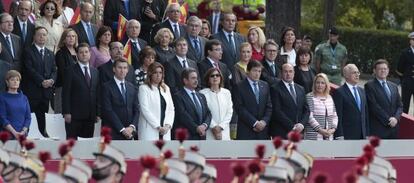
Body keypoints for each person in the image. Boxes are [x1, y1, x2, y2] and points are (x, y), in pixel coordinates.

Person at [22, 26, 56, 138]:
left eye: (44, 35)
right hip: (33, 93)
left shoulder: (50, 53)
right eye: (39, 34)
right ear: (34, 37)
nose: (42, 37)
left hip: (46, 94)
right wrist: (42, 81)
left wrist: (51, 80)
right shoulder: (28, 51)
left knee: (43, 121)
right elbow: (29, 69)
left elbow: (54, 70)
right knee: (31, 121)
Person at [62, 43, 100, 139]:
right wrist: (67, 112)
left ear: (90, 54)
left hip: (90, 116)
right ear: (77, 54)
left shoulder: (95, 71)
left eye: (86, 52)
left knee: (87, 145)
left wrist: (98, 113)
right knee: (73, 145)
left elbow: (97, 94)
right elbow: (66, 93)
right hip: (74, 116)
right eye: (81, 52)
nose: (84, 54)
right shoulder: (70, 70)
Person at [101, 59, 139, 140]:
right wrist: (122, 129)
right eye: (120, 68)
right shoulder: (106, 87)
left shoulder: (132, 87)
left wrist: (132, 127)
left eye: (125, 68)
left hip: (129, 132)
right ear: (114, 69)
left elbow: (136, 109)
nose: (122, 70)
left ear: (128, 70)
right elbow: (108, 110)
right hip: (112, 132)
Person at [365, 59, 403, 139]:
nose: (383, 71)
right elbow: (374, 107)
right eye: (380, 69)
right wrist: (388, 120)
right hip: (379, 128)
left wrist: (396, 118)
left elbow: (400, 106)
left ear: (388, 70)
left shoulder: (394, 86)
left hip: (394, 129)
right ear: (374, 71)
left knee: (392, 151)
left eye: (385, 69)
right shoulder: (369, 86)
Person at [270, 63, 309, 139]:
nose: (288, 74)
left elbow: (306, 110)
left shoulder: (301, 89)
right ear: (281, 73)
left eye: (290, 71)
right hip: (282, 132)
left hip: (299, 132)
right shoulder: (275, 88)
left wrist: (302, 124)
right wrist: (292, 127)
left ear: (294, 73)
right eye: (285, 71)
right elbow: (277, 111)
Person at [234, 60, 271, 140]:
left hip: (263, 131)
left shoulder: (265, 85)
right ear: (248, 71)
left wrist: (264, 122)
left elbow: (269, 107)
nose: (257, 74)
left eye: (259, 71)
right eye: (254, 70)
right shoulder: (239, 86)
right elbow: (239, 108)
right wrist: (255, 123)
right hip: (246, 131)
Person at [138, 62, 175, 140]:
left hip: (165, 131)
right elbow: (145, 110)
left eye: (160, 73)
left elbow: (171, 109)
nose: (158, 75)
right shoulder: (143, 88)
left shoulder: (166, 88)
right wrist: (158, 126)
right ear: (150, 74)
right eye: (155, 72)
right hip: (149, 130)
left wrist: (167, 125)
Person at [172, 68, 211, 140]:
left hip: (201, 137)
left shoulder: (201, 96)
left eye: (196, 78)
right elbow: (183, 115)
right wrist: (196, 128)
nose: (196, 81)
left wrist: (204, 125)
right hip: (186, 137)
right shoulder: (178, 96)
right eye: (193, 78)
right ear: (185, 80)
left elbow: (208, 113)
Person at [333, 64, 369, 139]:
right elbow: (338, 115)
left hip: (362, 135)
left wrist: (367, 133)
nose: (357, 75)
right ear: (346, 75)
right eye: (354, 73)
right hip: (346, 135)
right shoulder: (339, 92)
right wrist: (339, 134)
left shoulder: (362, 91)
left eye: (358, 72)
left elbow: (365, 114)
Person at [200, 68, 233, 140]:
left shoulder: (226, 92)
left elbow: (229, 112)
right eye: (212, 76)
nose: (215, 77)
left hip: (224, 131)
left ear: (221, 77)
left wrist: (221, 127)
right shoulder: (202, 93)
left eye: (217, 75)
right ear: (208, 79)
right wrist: (214, 127)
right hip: (210, 131)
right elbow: (204, 113)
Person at [305, 73, 338, 140]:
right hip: (313, 136)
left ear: (326, 85)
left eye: (323, 83)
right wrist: (320, 130)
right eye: (318, 83)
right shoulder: (309, 97)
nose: (320, 85)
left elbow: (335, 116)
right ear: (314, 84)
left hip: (329, 135)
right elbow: (309, 117)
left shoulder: (330, 98)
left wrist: (333, 129)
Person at [0, 70, 31, 139]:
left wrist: (23, 132)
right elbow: (3, 118)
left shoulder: (24, 98)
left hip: (22, 135)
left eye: (17, 80)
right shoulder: (2, 97)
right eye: (12, 80)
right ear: (7, 82)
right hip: (8, 136)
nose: (15, 82)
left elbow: (28, 117)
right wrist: (15, 133)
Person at [55, 28, 78, 113]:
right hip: (63, 87)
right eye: (68, 36)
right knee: (61, 112)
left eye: (73, 36)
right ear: (64, 39)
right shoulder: (60, 53)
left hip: (76, 87)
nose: (71, 38)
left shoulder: (78, 51)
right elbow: (63, 71)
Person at [396, 32, 414, 114]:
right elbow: (399, 68)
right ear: (410, 41)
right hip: (407, 82)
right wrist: (404, 80)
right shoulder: (405, 52)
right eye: (413, 39)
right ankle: (404, 125)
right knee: (405, 105)